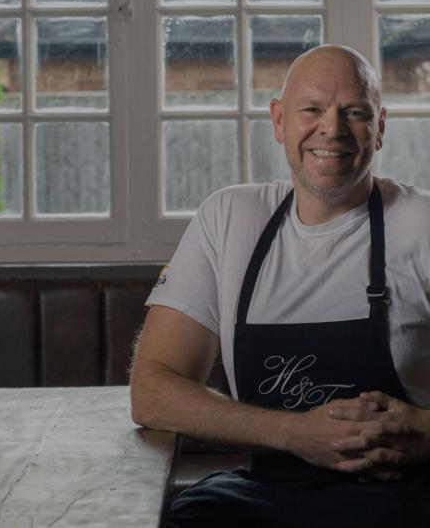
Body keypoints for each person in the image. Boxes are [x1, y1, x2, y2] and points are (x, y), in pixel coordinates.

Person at [130, 44, 430, 527]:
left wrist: (425, 432)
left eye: (354, 112)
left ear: (380, 128)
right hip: (266, 496)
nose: (331, 129)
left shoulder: (422, 224)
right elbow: (153, 390)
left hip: (401, 497)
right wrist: (295, 434)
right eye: (311, 109)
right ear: (278, 121)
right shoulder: (228, 219)